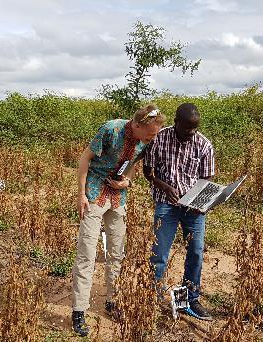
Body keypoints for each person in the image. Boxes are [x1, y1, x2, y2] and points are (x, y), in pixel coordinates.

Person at [71, 104, 165, 337]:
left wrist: (127, 182)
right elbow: (85, 158)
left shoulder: (146, 141)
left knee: (117, 252)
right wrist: (81, 194)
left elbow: (132, 167)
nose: (153, 138)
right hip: (94, 191)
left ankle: (113, 300)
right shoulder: (111, 130)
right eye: (151, 133)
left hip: (117, 198)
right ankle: (79, 311)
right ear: (137, 125)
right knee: (87, 252)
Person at [143, 102, 215, 321]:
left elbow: (208, 177)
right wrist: (164, 186)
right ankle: (151, 297)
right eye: (186, 129)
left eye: (194, 129)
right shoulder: (159, 138)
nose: (190, 133)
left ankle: (190, 299)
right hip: (166, 204)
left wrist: (197, 199)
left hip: (193, 208)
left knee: (195, 253)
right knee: (159, 254)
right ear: (176, 122)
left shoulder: (204, 145)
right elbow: (148, 171)